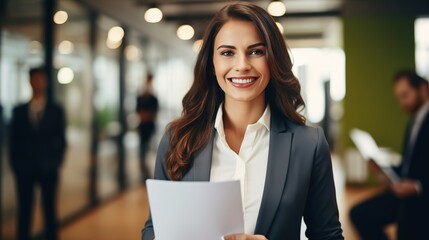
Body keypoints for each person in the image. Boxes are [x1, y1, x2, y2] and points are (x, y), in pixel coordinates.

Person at [141, 2, 343, 240]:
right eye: (227, 53)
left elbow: (328, 236)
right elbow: (155, 229)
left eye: (256, 51)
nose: (242, 65)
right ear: (212, 64)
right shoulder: (177, 139)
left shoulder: (309, 145)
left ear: (273, 60)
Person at [350, 70, 429, 240]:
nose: (402, 103)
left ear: (423, 89)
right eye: (399, 98)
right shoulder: (414, 121)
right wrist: (386, 171)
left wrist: (417, 186)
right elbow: (411, 164)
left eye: (405, 95)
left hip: (421, 196)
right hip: (404, 192)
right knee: (359, 214)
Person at [9, 67, 67, 240]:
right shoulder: (19, 111)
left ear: (46, 82)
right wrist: (16, 166)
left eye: (41, 79)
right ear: (29, 81)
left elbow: (62, 140)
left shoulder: (55, 110)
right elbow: (14, 141)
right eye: (35, 79)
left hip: (48, 168)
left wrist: (56, 162)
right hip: (24, 169)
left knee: (49, 209)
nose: (38, 83)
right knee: (24, 210)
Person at [136, 73, 159, 181]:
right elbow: (138, 112)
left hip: (149, 127)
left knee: (148, 150)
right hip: (143, 128)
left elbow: (154, 113)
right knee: (142, 151)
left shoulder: (153, 98)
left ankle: (147, 173)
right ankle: (143, 173)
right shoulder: (140, 97)